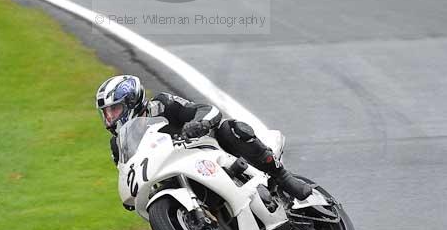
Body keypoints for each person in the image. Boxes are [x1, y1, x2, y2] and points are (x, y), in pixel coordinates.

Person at [95, 74, 311, 200]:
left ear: (132, 101)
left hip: (207, 151)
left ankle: (282, 176)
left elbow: (206, 109)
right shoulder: (118, 144)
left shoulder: (162, 105)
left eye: (115, 109)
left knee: (231, 129)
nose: (110, 117)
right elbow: (126, 171)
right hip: (170, 172)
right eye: (106, 112)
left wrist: (200, 123)